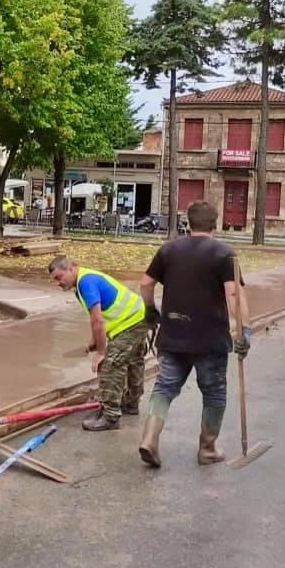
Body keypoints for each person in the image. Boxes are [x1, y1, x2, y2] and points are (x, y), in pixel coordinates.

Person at [138, 200, 251, 469]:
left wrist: (151, 309)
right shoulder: (224, 254)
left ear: (188, 223)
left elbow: (145, 283)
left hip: (173, 335)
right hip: (209, 340)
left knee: (164, 387)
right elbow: (233, 293)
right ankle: (207, 449)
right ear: (215, 222)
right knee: (213, 393)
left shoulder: (168, 250)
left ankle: (149, 440)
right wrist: (243, 330)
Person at [48, 256, 148, 431]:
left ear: (71, 269)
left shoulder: (85, 283)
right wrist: (93, 343)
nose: (57, 283)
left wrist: (101, 352)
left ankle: (110, 417)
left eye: (59, 277)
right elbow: (97, 317)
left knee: (110, 365)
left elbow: (97, 321)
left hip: (130, 323)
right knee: (133, 362)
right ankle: (131, 404)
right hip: (140, 316)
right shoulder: (85, 280)